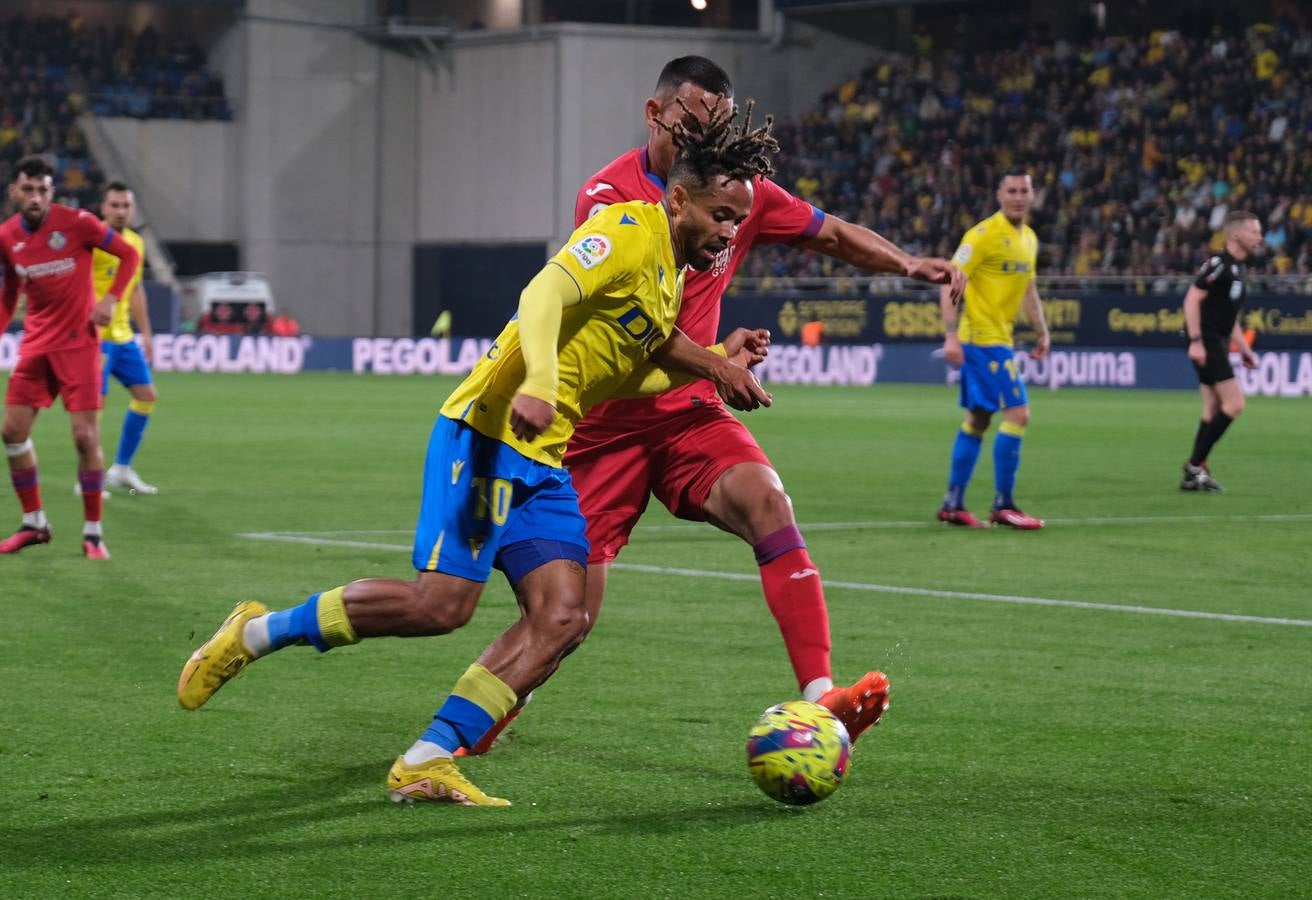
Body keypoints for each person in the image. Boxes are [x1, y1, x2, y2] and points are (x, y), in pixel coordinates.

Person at [176, 102, 777, 807]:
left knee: (563, 618)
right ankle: (256, 631)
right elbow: (544, 291)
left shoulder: (669, 277)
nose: (729, 233)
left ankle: (427, 757)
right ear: (678, 198)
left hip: (544, 459)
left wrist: (711, 363)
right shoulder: (625, 230)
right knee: (441, 606)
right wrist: (545, 381)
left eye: (738, 220)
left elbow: (630, 375)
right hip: (488, 433)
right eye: (718, 214)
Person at [464, 56, 965, 757]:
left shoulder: (737, 191)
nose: (706, 137)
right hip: (604, 427)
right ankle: (467, 723)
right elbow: (635, 325)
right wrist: (716, 363)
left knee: (767, 501)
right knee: (565, 618)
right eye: (694, 122)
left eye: (720, 126)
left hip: (689, 412)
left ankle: (824, 701)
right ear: (655, 113)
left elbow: (828, 232)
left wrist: (909, 264)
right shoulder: (610, 198)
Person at [0, 155, 141, 558]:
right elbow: (10, 290)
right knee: (11, 432)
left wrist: (112, 299)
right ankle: (34, 523)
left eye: (43, 189)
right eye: (28, 189)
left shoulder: (77, 223)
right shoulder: (7, 236)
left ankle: (93, 532)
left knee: (84, 437)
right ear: (14, 191)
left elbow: (128, 256)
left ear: (52, 192)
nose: (36, 197)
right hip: (36, 345)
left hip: (80, 343)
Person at [937, 170, 1050, 530]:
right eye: (1012, 190)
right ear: (999, 195)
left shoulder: (1029, 239)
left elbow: (1028, 290)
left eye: (1024, 191)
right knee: (1018, 414)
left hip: (999, 338)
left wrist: (1042, 331)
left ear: (1032, 196)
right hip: (982, 340)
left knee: (980, 419)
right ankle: (1004, 504)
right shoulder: (983, 235)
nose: (1018, 197)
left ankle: (953, 504)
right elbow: (947, 281)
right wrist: (951, 336)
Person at [1178, 211, 1262, 492]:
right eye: (1255, 232)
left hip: (1217, 339)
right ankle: (1194, 466)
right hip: (1207, 340)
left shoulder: (1239, 268)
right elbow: (1191, 299)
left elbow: (1229, 317)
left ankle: (1195, 471)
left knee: (1213, 407)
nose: (1259, 237)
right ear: (1236, 234)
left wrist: (1245, 348)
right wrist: (1196, 340)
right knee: (1235, 403)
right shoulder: (1219, 264)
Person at [94, 181, 159, 495]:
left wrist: (146, 334)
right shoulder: (92, 241)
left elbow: (135, 290)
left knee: (146, 395)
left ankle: (121, 468)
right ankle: (89, 477)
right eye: (114, 206)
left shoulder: (135, 242)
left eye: (126, 206)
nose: (121, 211)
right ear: (103, 208)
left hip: (123, 337)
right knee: (93, 409)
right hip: (96, 339)